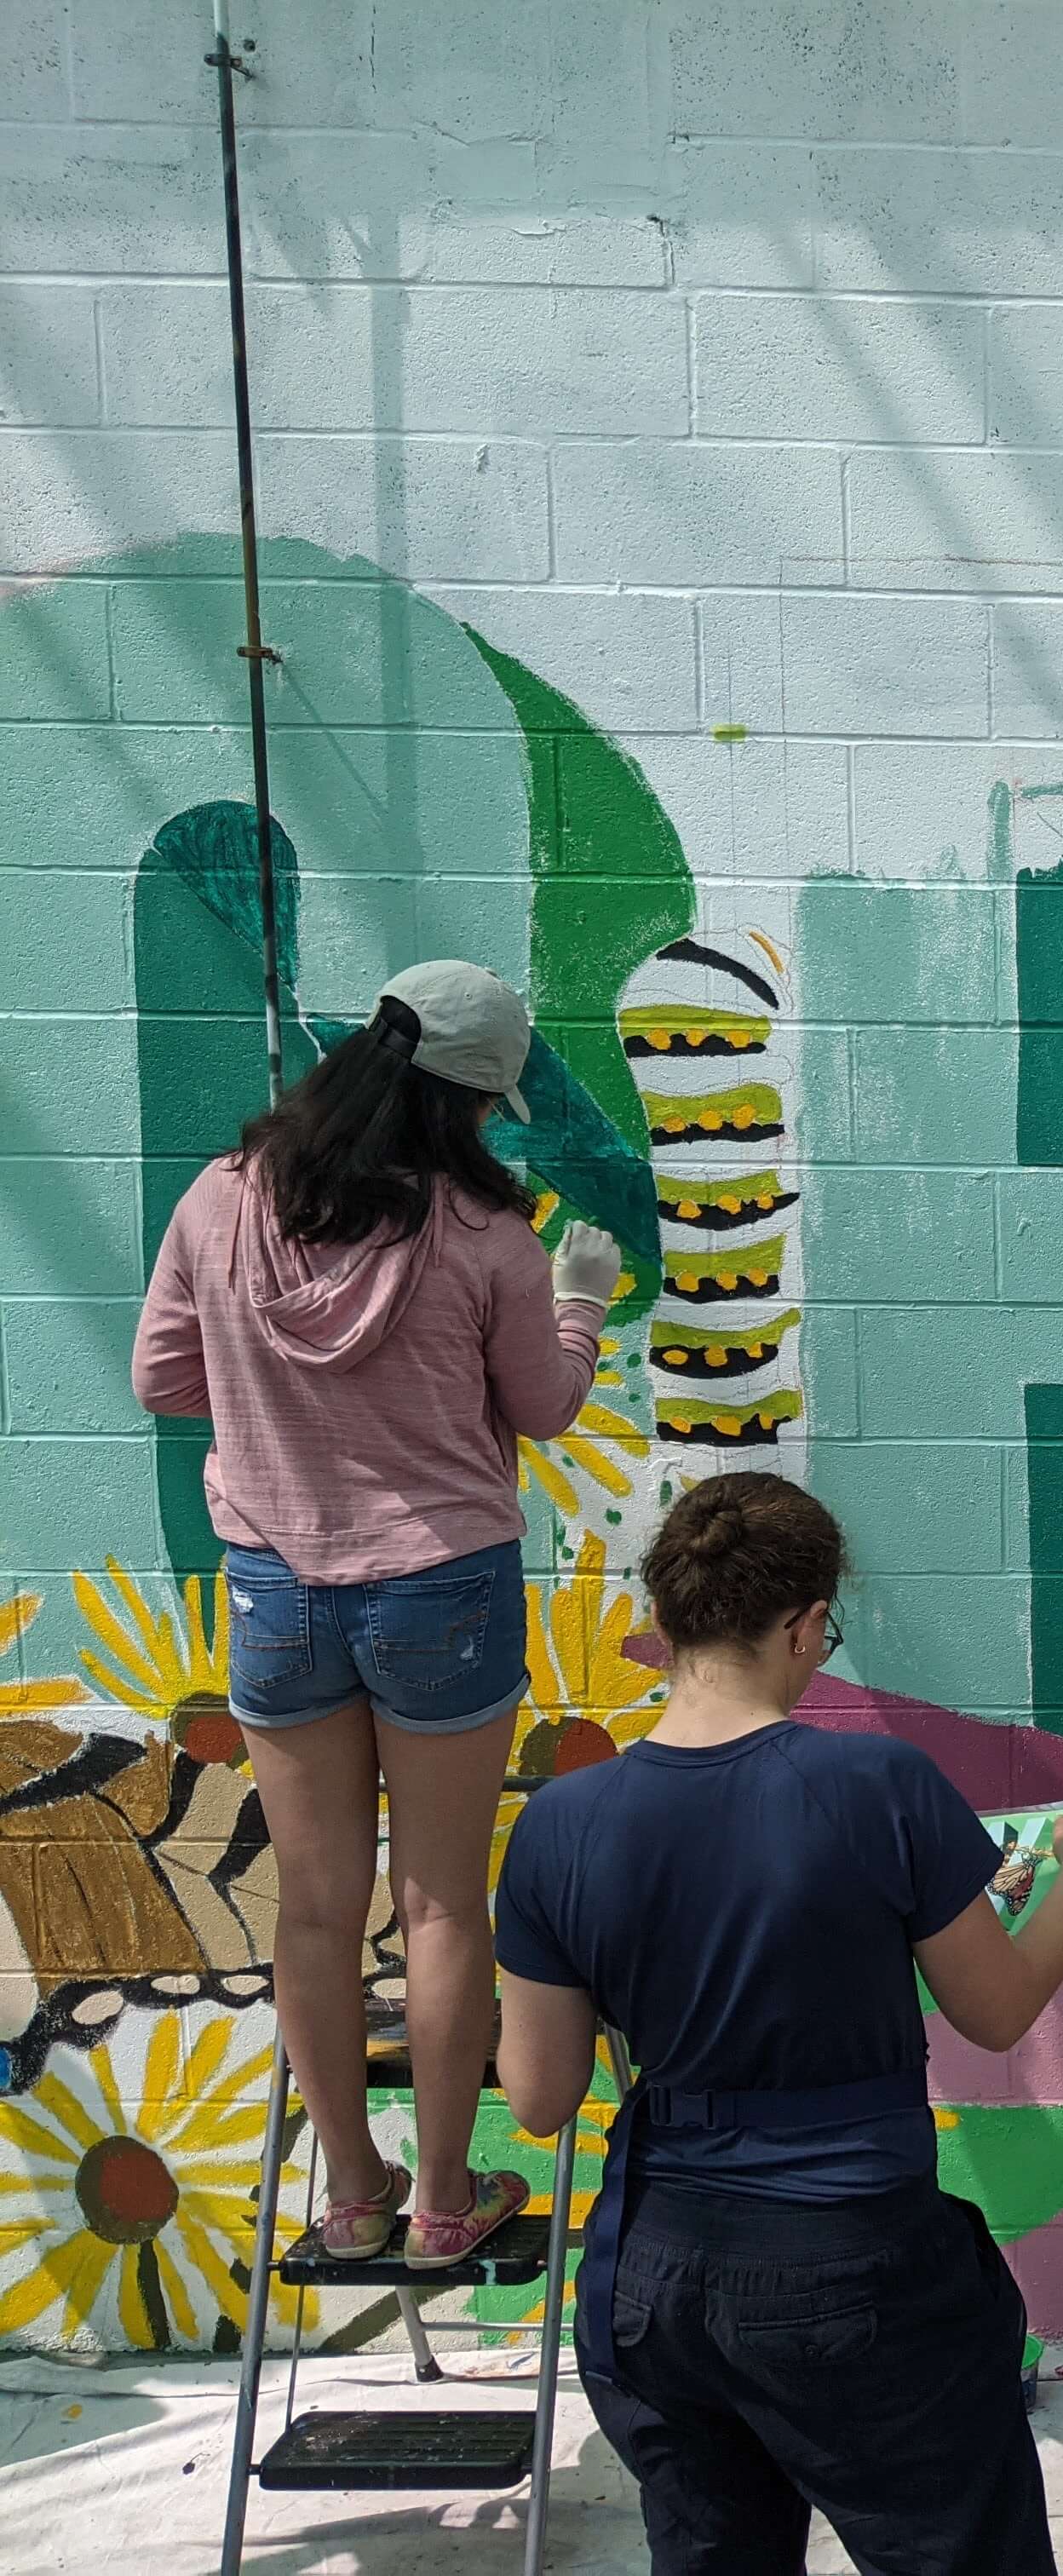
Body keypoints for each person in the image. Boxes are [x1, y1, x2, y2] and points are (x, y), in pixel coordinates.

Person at [493, 1475, 1063, 2576]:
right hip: (854, 2268)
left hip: (658, 2276)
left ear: (668, 1621)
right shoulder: (877, 1783)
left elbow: (539, 2096)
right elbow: (1000, 2006)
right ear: (801, 1624)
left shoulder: (560, 1823)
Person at [130, 961, 620, 2269]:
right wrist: (581, 1306)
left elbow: (161, 1377)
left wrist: (270, 1396)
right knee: (447, 1905)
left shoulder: (221, 1205)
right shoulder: (483, 1235)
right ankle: (449, 2201)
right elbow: (547, 1406)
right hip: (442, 1583)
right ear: (468, 1103)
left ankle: (354, 2197)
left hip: (278, 1588)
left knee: (313, 1906)